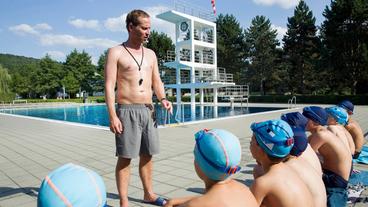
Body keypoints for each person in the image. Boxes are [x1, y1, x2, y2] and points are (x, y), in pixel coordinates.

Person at [104, 9, 172, 207]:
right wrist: (112, 116)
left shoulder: (151, 54)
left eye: (149, 28)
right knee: (126, 157)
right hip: (126, 110)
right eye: (144, 28)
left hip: (148, 110)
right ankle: (124, 201)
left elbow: (156, 80)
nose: (148, 32)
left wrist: (163, 99)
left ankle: (148, 194)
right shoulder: (115, 52)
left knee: (148, 155)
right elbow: (109, 85)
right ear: (130, 27)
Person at [164, 129, 258, 207]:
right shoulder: (243, 189)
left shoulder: (194, 205)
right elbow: (215, 199)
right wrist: (177, 201)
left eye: (196, 157)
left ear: (201, 166)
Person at [250, 119, 313, 207]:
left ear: (261, 149)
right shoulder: (289, 170)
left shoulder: (262, 184)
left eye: (251, 141)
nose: (250, 143)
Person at [303, 106, 352, 207]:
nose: (302, 121)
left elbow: (304, 157)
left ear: (314, 122)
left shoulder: (320, 135)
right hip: (336, 176)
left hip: (335, 181)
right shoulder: (318, 133)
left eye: (305, 119)